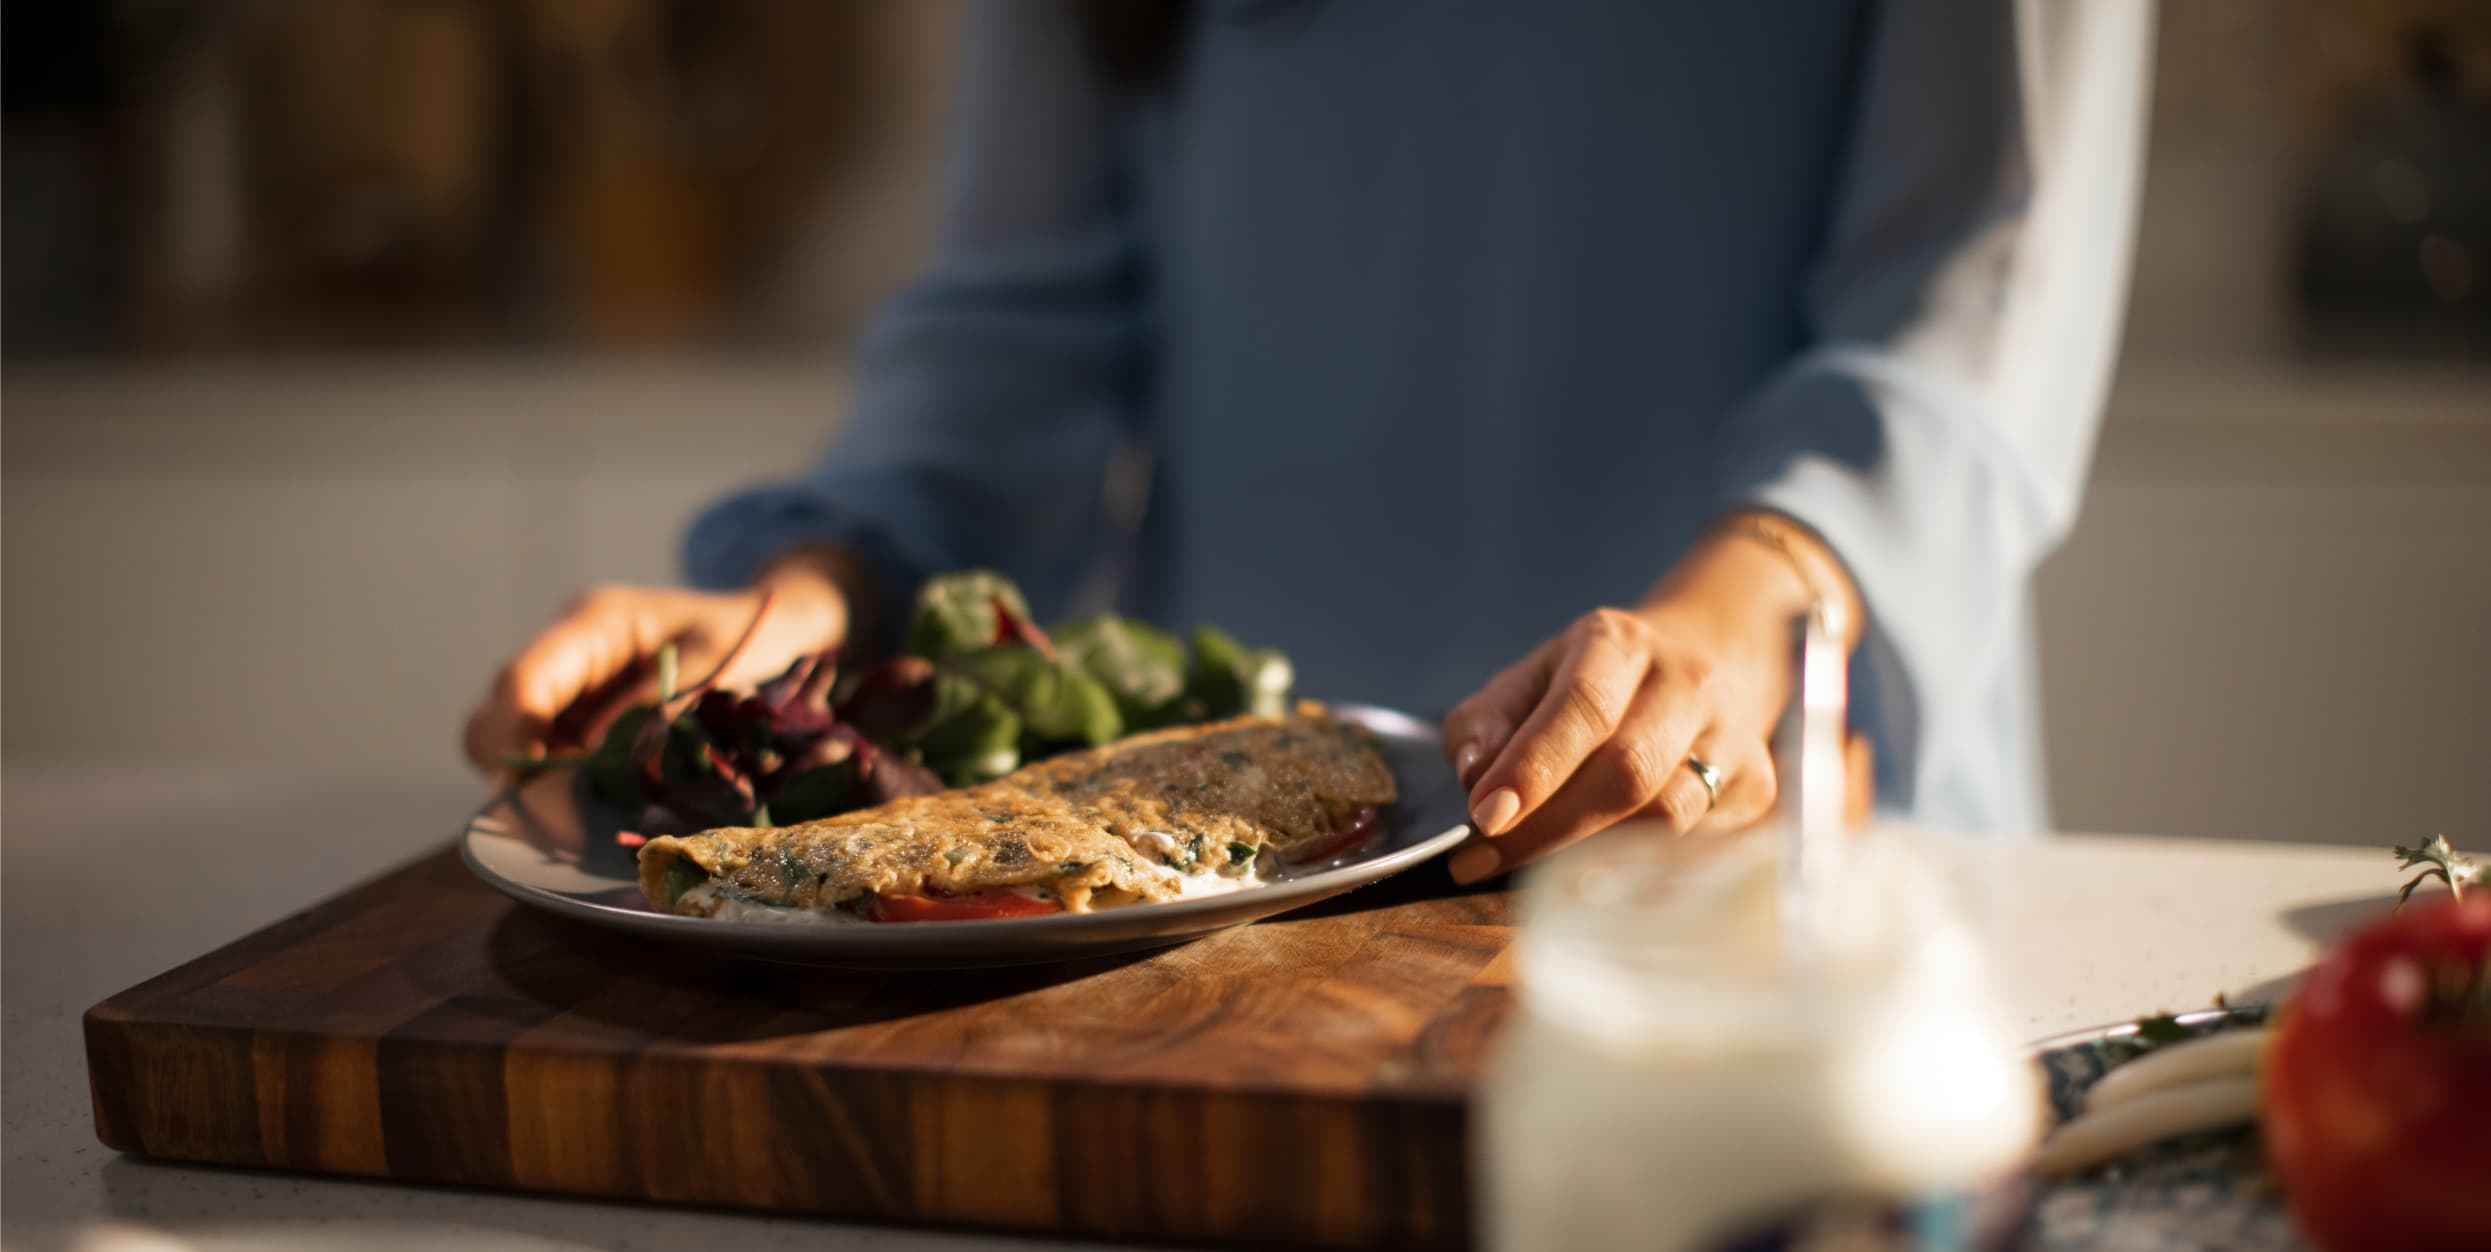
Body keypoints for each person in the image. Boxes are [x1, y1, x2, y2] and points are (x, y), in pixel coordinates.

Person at [466, 0, 2151, 884]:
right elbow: (1023, 327)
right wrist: (803, 620)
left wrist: (1726, 634)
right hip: (1233, 900)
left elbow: (1969, 311)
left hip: (1783, 853)